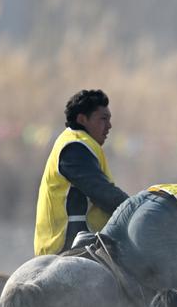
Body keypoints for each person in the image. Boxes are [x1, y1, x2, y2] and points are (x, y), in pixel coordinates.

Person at [34, 89, 129, 255]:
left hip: (77, 243)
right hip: (67, 246)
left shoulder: (81, 144)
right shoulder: (75, 147)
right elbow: (102, 193)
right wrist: (136, 208)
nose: (109, 126)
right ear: (82, 119)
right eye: (103, 119)